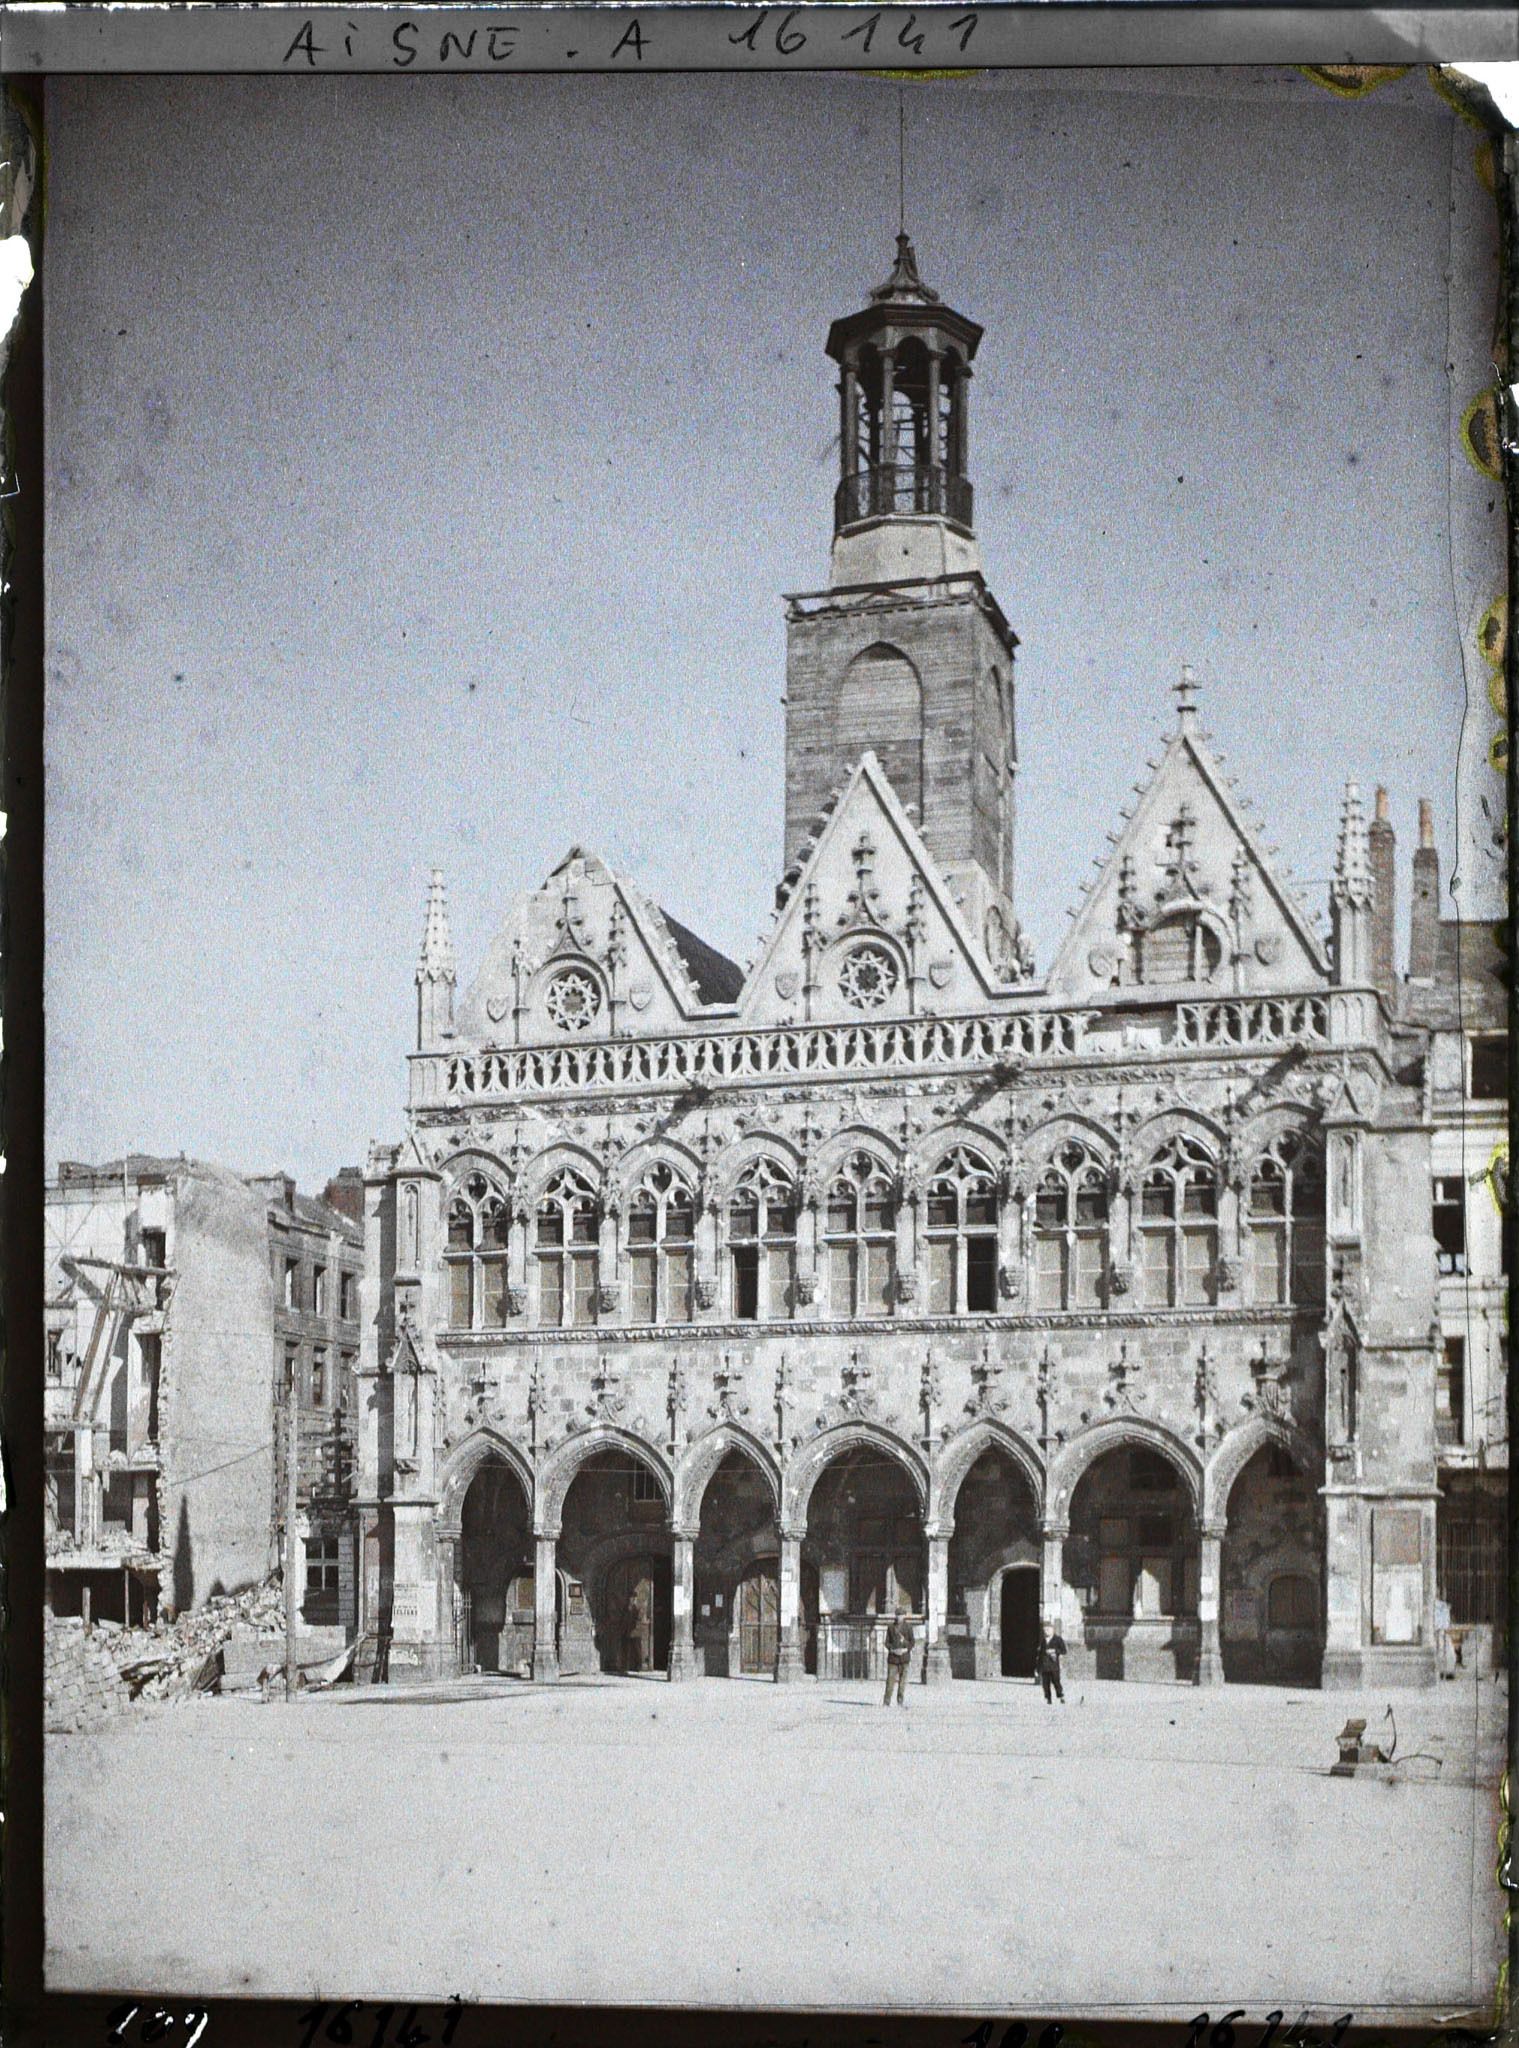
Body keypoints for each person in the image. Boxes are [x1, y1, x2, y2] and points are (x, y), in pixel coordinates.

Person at [883, 1606, 915, 1706]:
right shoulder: (891, 1627)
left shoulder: (909, 1627)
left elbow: (912, 1642)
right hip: (893, 1658)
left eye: (901, 1615)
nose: (899, 1617)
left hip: (904, 1658)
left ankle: (900, 1701)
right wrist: (892, 1649)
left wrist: (906, 1649)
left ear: (904, 1616)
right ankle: (886, 1701)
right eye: (898, 1615)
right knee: (890, 1681)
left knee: (902, 1682)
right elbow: (887, 1642)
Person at [1036, 1624, 1067, 1704]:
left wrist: (1054, 1651)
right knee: (1045, 1683)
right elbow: (1040, 1655)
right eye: (1045, 1630)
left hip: (1054, 1666)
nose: (1046, 1632)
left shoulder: (1058, 1639)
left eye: (1048, 1629)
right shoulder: (1043, 1641)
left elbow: (1064, 1651)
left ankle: (1061, 1696)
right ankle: (1048, 1699)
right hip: (1044, 1665)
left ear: (1052, 1630)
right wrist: (1037, 1668)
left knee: (1056, 1681)